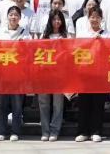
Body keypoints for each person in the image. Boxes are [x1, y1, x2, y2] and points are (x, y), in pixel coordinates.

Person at [0, 6, 31, 141]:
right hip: (2, 73)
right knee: (1, 104)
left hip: (18, 74)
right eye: (11, 14)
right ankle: (1, 131)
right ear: (7, 17)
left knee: (17, 104)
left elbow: (29, 53)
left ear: (20, 18)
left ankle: (15, 131)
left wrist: (24, 46)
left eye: (16, 15)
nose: (13, 17)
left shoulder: (25, 34)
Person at [75, 7, 107, 143]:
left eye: (97, 17)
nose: (94, 19)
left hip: (100, 74)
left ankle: (96, 131)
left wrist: (102, 41)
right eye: (92, 17)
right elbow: (77, 49)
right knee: (84, 103)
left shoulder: (107, 34)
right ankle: (83, 131)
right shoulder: (83, 33)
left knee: (98, 104)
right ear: (88, 18)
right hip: (85, 73)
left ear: (101, 19)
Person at [39, 10, 69, 141]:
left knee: (58, 104)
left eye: (59, 19)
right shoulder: (44, 36)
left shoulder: (65, 37)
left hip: (59, 76)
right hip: (45, 75)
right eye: (54, 19)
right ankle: (45, 131)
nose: (57, 22)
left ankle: (55, 130)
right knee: (43, 103)